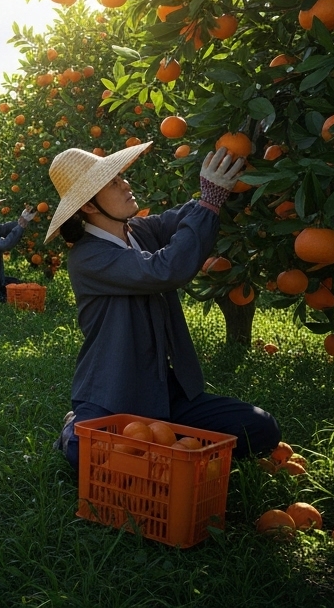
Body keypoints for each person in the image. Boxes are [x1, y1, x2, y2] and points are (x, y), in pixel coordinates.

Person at [46, 144, 280, 467]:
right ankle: (74, 427)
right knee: (86, 455)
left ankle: (168, 444)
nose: (125, 184)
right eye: (113, 182)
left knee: (261, 427)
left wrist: (219, 187)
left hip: (165, 394)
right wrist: (209, 203)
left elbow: (182, 217)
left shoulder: (139, 231)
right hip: (113, 394)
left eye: (121, 177)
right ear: (88, 205)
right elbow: (165, 269)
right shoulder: (87, 258)